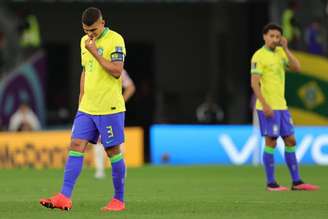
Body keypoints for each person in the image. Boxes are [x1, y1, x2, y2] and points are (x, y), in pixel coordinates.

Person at [40, 7, 127, 211]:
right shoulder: (84, 42)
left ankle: (118, 200)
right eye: (87, 30)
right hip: (88, 107)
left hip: (109, 107)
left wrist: (96, 52)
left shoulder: (115, 40)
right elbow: (85, 71)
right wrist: (81, 100)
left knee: (112, 151)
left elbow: (116, 71)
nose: (90, 35)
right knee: (76, 145)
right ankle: (64, 196)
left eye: (94, 31)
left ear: (103, 23)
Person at [250, 23, 319, 192]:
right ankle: (271, 184)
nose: (275, 39)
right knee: (271, 142)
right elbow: (254, 84)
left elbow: (297, 68)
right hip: (268, 107)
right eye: (272, 36)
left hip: (282, 106)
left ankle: (297, 182)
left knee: (290, 140)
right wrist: (265, 105)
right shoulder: (259, 56)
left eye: (277, 37)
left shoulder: (281, 53)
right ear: (264, 37)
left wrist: (287, 49)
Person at [94, 69, 135, 179]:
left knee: (117, 140)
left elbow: (130, 87)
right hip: (97, 108)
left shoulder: (118, 69)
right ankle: (99, 171)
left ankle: (121, 170)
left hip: (113, 109)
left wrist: (120, 100)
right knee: (98, 139)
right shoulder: (94, 69)